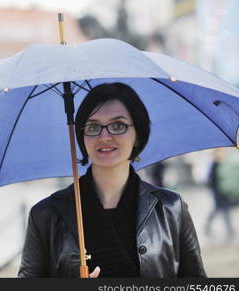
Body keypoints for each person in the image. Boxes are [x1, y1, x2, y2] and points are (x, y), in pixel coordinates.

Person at [18, 83, 206, 278]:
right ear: (82, 137)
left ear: (138, 136)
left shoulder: (170, 209)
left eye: (118, 125)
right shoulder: (46, 215)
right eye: (93, 127)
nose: (104, 136)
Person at [204, 149, 235, 239]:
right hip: (217, 192)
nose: (222, 154)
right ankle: (230, 229)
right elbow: (211, 180)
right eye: (220, 153)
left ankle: (207, 226)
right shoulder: (214, 165)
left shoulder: (221, 164)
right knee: (222, 210)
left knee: (219, 210)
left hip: (221, 192)